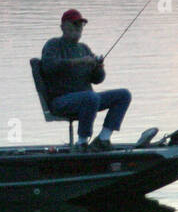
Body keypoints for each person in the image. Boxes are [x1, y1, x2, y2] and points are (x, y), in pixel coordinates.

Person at [41, 9, 131, 151]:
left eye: (81, 24)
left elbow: (97, 80)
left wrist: (99, 68)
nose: (79, 27)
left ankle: (103, 138)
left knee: (124, 95)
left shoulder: (84, 48)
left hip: (89, 99)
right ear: (63, 26)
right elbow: (49, 67)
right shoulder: (53, 45)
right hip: (61, 101)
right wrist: (78, 62)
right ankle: (82, 143)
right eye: (75, 23)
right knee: (91, 97)